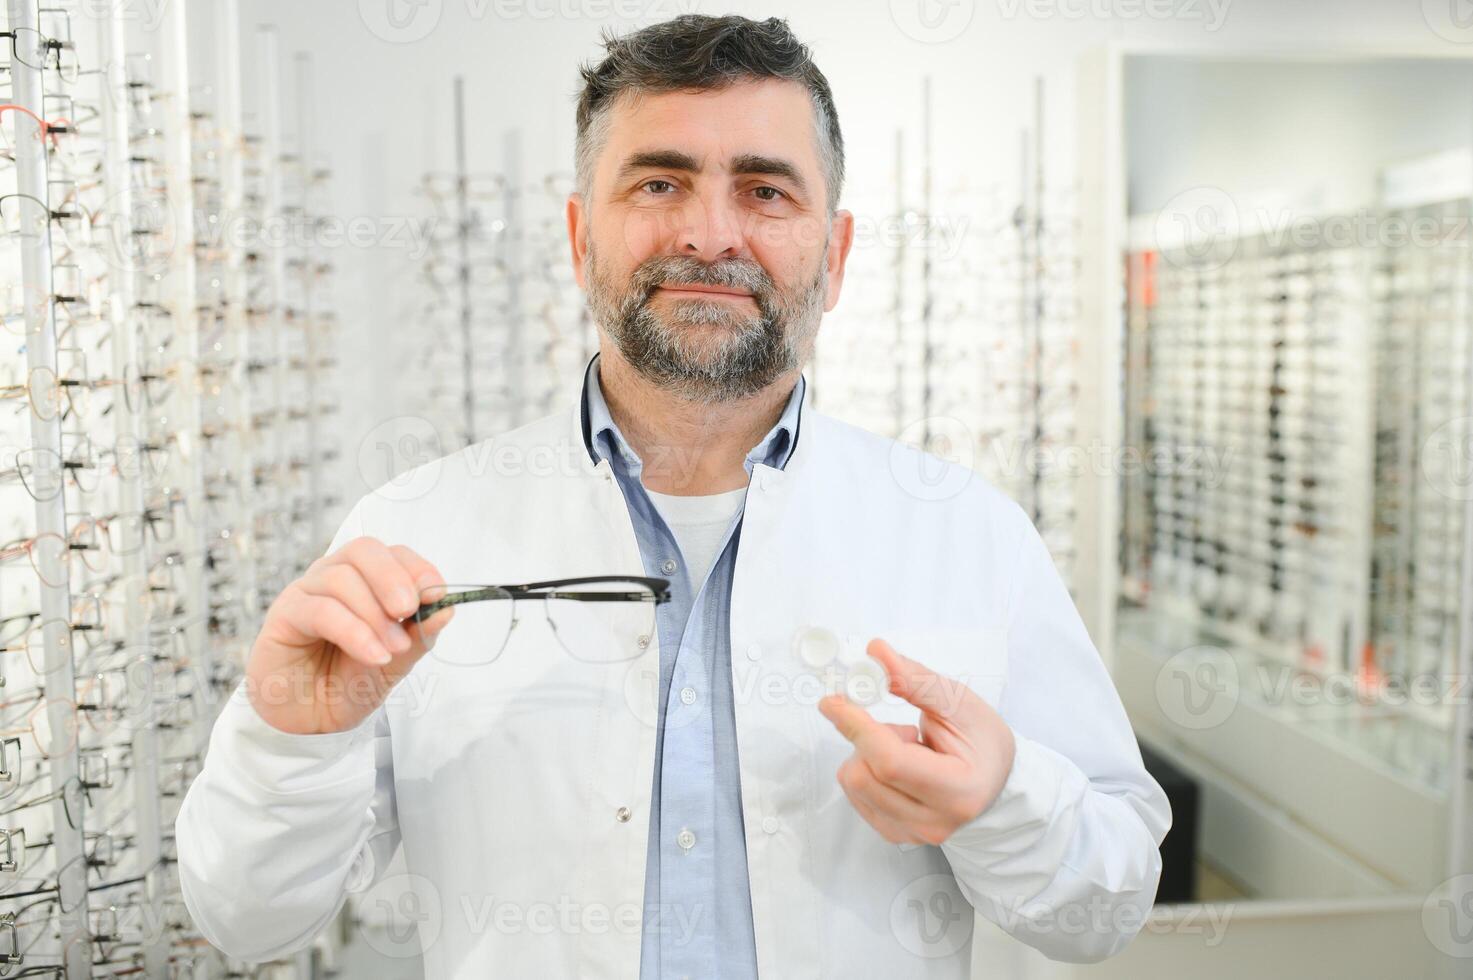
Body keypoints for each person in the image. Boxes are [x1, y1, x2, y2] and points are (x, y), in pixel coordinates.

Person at [177, 14, 1170, 978]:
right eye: (660, 182)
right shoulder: (412, 533)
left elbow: (1108, 904)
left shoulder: (966, 532)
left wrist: (1002, 802)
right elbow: (249, 916)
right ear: (579, 238)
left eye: (766, 191)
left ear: (838, 251)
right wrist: (289, 737)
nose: (709, 233)